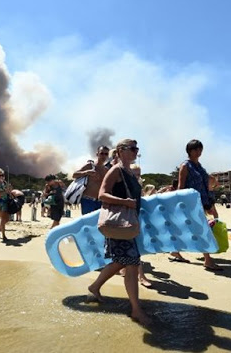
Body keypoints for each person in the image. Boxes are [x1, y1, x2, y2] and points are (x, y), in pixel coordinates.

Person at [87, 139, 151, 325]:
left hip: (129, 224)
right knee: (131, 264)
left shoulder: (130, 172)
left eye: (137, 149)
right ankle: (136, 310)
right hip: (119, 224)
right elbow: (102, 195)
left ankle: (94, 286)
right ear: (121, 151)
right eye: (132, 148)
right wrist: (125, 202)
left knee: (121, 261)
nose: (136, 152)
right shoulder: (116, 170)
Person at [169, 139, 221, 271]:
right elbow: (181, 186)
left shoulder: (199, 166)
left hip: (202, 201)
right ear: (189, 151)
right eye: (195, 149)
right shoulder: (185, 165)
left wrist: (209, 197)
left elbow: (206, 183)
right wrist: (181, 204)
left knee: (186, 228)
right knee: (202, 229)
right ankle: (208, 260)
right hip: (190, 203)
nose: (198, 152)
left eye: (200, 149)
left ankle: (174, 250)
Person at [72, 146, 110, 215]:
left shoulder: (106, 170)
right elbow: (74, 175)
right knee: (87, 223)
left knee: (98, 224)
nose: (103, 156)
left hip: (100, 202)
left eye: (106, 154)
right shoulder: (90, 166)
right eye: (101, 153)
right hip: (87, 200)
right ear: (97, 154)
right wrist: (86, 172)